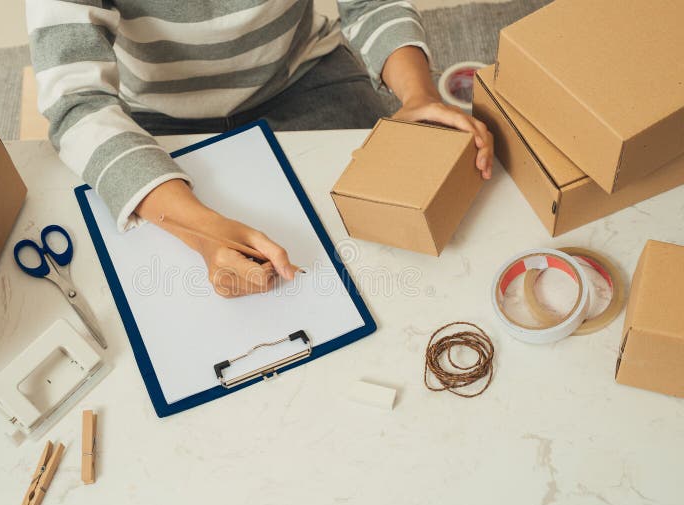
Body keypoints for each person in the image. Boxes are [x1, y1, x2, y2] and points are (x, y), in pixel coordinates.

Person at [26, 1, 494, 297]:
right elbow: (77, 103)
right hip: (155, 110)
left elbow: (371, 4)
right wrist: (203, 231)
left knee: (386, 250)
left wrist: (418, 96)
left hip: (300, 72)